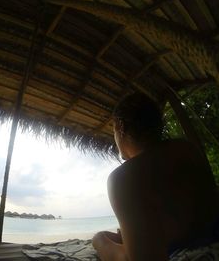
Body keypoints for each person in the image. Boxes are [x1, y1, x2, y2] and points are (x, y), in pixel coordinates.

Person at [92, 93, 219, 261]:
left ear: (120, 126)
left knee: (101, 238)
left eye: (113, 130)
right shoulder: (187, 149)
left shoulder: (122, 178)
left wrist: (99, 241)